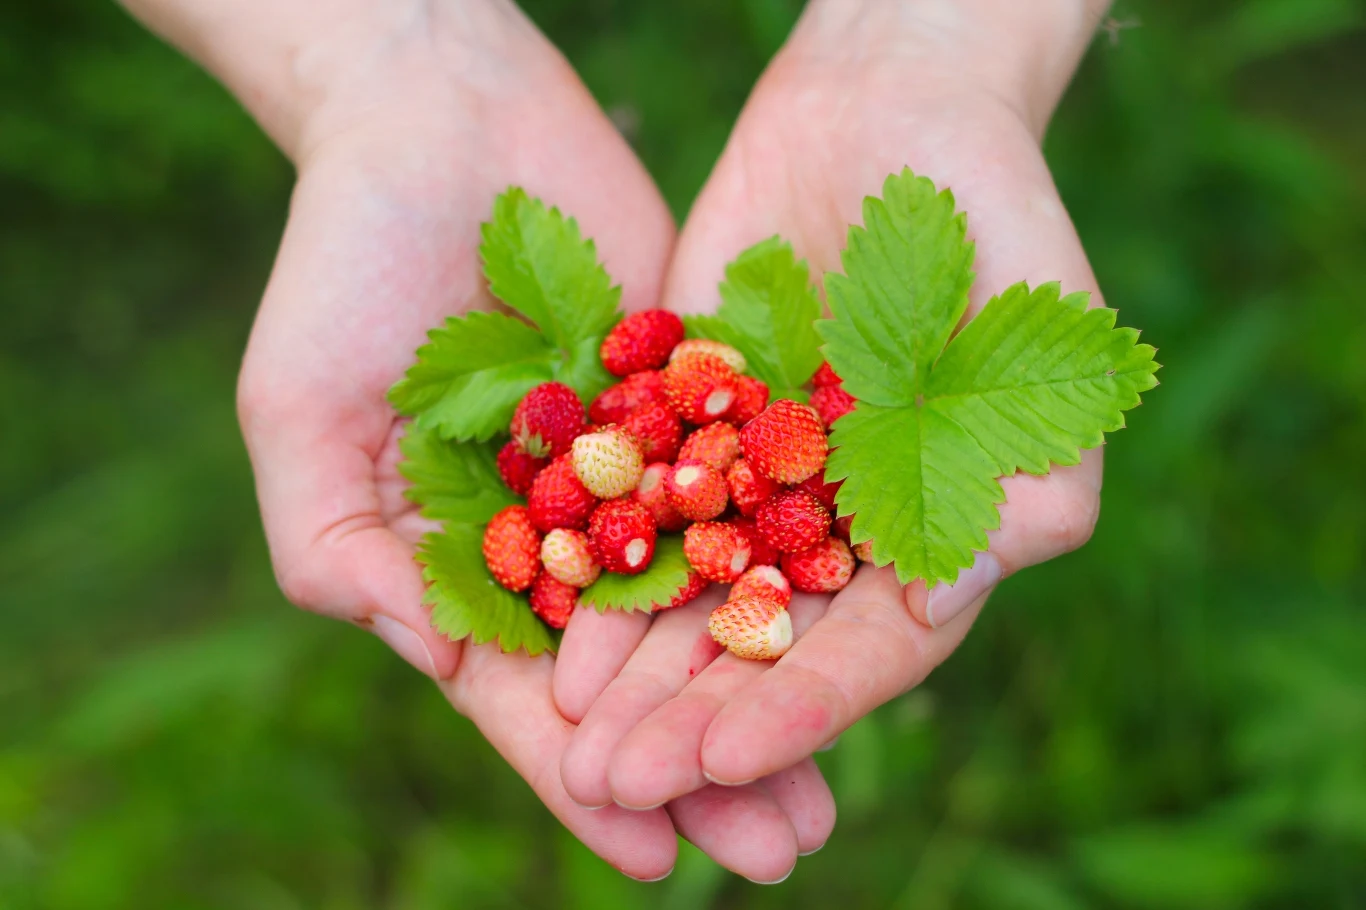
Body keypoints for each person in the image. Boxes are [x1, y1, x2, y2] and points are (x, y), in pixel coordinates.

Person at [123, 0, 1112, 884]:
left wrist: (928, 35)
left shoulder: (732, 455)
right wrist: (388, 52)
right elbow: (616, 498)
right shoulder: (641, 465)